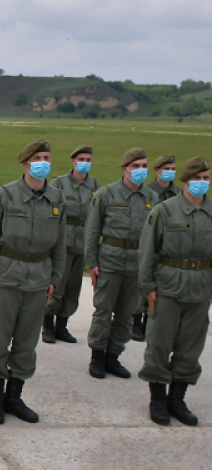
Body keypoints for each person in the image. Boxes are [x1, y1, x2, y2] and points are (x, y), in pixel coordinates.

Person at [0, 140, 66, 425]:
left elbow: (60, 245)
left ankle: (14, 397)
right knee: (0, 341)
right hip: (7, 278)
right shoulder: (4, 196)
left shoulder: (57, 198)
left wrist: (54, 279)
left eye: (47, 157)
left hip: (39, 279)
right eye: (38, 157)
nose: (43, 162)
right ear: (26, 163)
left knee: (27, 342)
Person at [138, 157, 212, 426]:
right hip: (168, 288)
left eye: (206, 178)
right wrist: (148, 287)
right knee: (159, 344)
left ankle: (177, 399)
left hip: (200, 289)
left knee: (190, 347)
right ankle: (158, 399)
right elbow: (147, 253)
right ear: (185, 181)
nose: (203, 183)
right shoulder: (164, 211)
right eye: (198, 178)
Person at [83, 148, 157, 379]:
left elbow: (154, 237)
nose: (141, 170)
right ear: (125, 168)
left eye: (144, 165)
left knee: (127, 314)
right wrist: (92, 261)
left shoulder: (151, 198)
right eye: (136, 166)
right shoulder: (106, 194)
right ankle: (97, 356)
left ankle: (113, 356)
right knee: (104, 311)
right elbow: (92, 230)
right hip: (110, 262)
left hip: (136, 264)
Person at [43, 145, 97, 344]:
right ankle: (47, 324)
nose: (85, 163)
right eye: (81, 159)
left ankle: (62, 325)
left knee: (74, 286)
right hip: (63, 241)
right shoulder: (60, 184)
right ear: (73, 161)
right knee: (58, 283)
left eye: (88, 159)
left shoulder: (94, 185)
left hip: (82, 242)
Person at [134, 154, 182, 341]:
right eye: (166, 168)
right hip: (147, 242)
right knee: (143, 281)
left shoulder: (178, 193)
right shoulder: (147, 191)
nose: (169, 172)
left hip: (167, 243)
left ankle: (149, 318)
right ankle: (136, 318)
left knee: (158, 282)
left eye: (172, 169)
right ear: (156, 170)